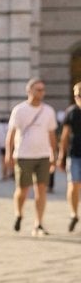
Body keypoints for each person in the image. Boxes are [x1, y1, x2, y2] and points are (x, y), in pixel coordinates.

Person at [4, 79, 59, 237]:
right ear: (29, 91)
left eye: (43, 89)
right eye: (38, 89)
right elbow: (11, 133)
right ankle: (19, 213)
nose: (41, 92)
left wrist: (53, 154)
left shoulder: (48, 111)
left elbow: (52, 135)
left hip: (43, 155)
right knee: (22, 189)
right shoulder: (19, 110)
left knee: (41, 189)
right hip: (23, 155)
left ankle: (38, 223)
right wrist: (8, 153)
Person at [57, 80, 81, 233]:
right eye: (76, 95)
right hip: (74, 154)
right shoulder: (71, 112)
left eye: (79, 95)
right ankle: (74, 214)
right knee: (73, 185)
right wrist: (60, 155)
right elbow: (64, 136)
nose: (78, 98)